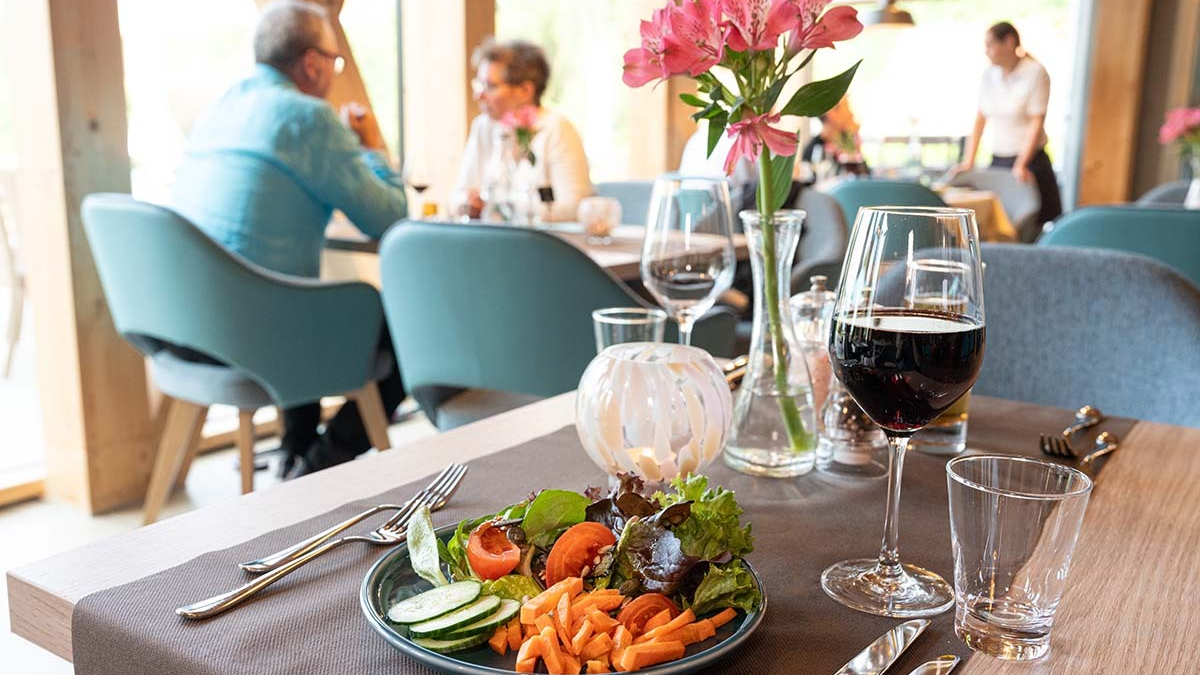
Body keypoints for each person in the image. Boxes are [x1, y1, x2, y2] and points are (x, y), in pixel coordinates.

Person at [171, 0, 409, 478]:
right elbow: (389, 216)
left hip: (184, 325)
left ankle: (295, 454)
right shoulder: (309, 118)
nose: (334, 72)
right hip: (254, 334)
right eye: (335, 61)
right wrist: (372, 146)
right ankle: (316, 470)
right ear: (312, 63)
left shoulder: (222, 106)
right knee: (411, 328)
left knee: (300, 297)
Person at [454, 39, 592, 222]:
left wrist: (503, 208)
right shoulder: (483, 127)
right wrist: (467, 203)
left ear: (525, 90)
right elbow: (456, 197)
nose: (478, 95)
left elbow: (575, 206)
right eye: (479, 85)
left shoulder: (557, 129)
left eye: (490, 86)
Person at [956, 21, 1063, 225]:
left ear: (1009, 42)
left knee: (1033, 224)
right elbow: (980, 119)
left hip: (1030, 161)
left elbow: (1036, 122)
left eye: (990, 45)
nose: (986, 51)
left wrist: (1021, 164)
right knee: (997, 223)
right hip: (999, 159)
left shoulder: (1035, 72)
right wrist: (968, 162)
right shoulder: (989, 74)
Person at [801, 96, 869, 177]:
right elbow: (807, 177)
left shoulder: (848, 143)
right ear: (830, 115)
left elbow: (865, 175)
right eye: (843, 109)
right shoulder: (814, 148)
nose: (850, 115)